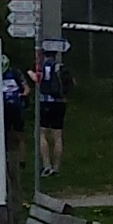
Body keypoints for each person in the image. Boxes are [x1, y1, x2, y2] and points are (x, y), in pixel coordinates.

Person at [35, 48, 69, 178]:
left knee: (42, 133)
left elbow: (38, 80)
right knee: (58, 135)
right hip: (60, 102)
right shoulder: (60, 66)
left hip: (46, 101)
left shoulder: (44, 67)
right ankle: (56, 167)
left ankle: (47, 165)